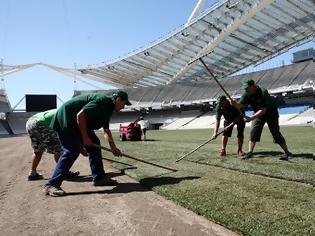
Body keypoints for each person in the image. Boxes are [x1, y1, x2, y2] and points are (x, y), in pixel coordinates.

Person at [44, 90, 131, 196]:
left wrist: (113, 148)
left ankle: (99, 178)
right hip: (66, 120)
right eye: (124, 103)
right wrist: (84, 138)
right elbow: (80, 116)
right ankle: (51, 185)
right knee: (72, 151)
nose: (123, 107)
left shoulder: (108, 109)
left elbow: (106, 130)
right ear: (118, 99)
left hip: (79, 124)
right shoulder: (102, 101)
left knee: (95, 144)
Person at [237, 79, 292, 160]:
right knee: (254, 131)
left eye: (247, 88)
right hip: (258, 113)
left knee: (275, 132)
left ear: (253, 86)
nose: (245, 90)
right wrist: (235, 104)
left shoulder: (263, 91)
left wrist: (251, 118)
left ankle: (287, 152)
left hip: (271, 113)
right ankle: (250, 153)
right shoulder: (246, 94)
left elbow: (263, 110)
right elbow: (240, 105)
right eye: (244, 88)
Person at [26, 109, 80, 180]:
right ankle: (64, 173)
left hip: (30, 122)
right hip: (41, 123)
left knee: (38, 150)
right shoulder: (70, 114)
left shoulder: (64, 109)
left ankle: (33, 173)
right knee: (59, 149)